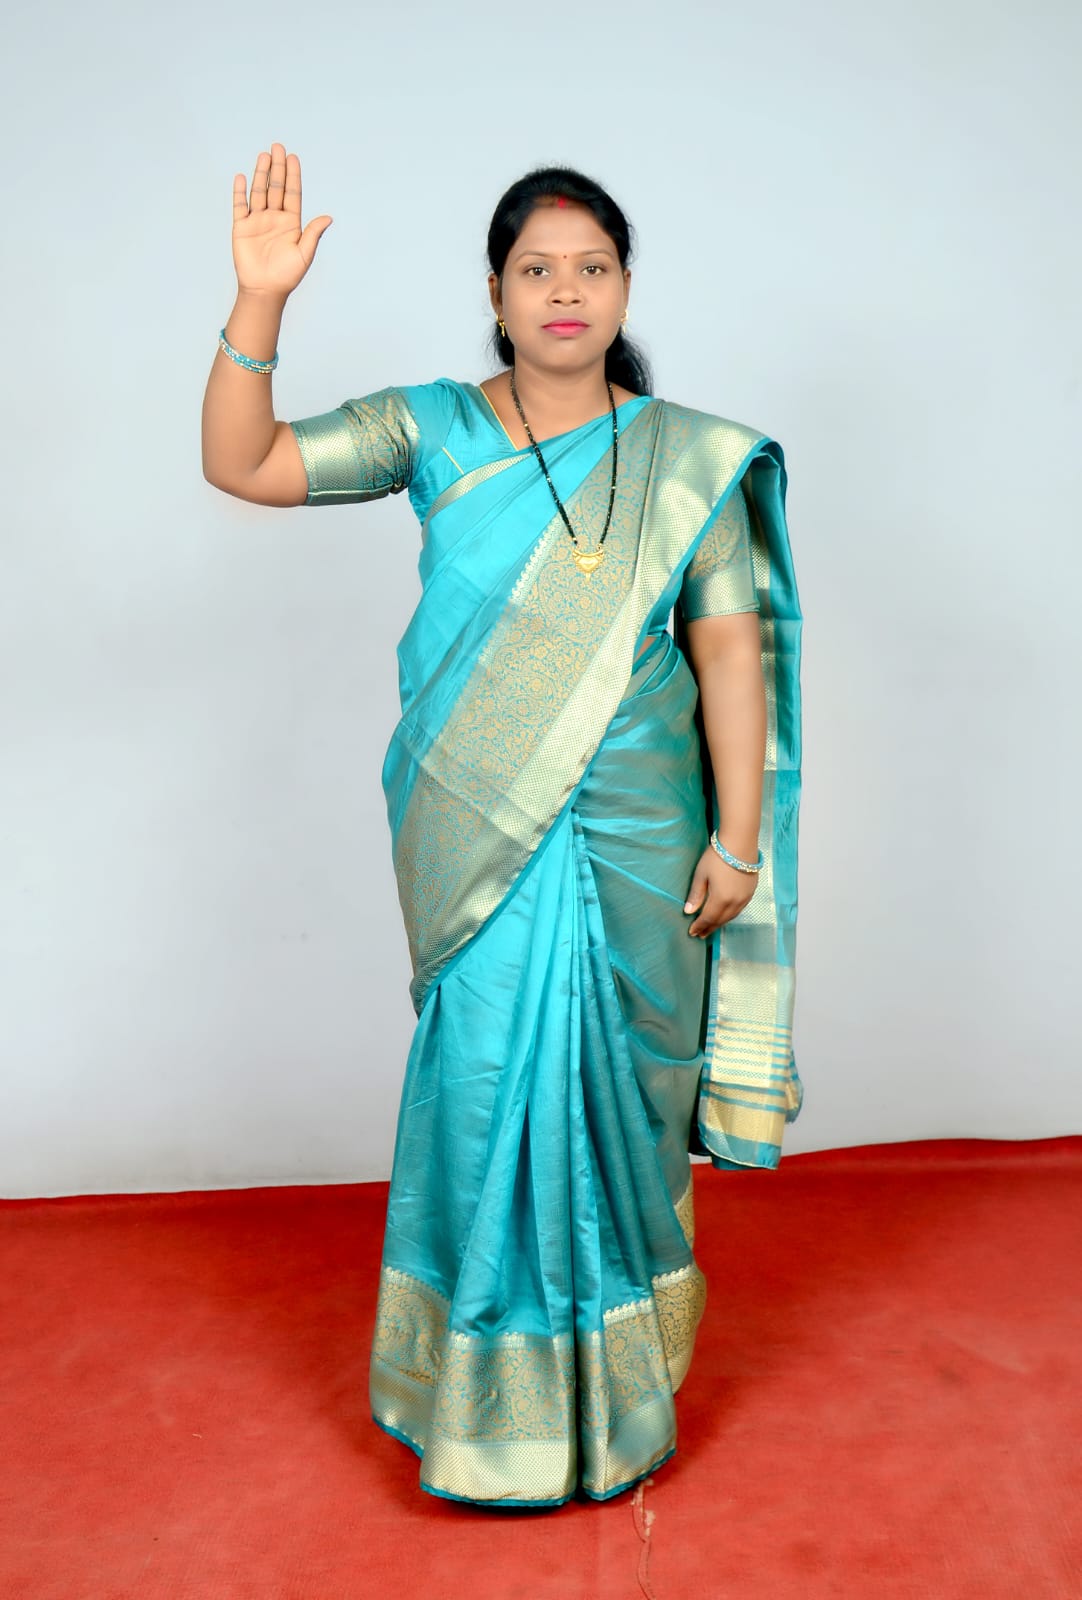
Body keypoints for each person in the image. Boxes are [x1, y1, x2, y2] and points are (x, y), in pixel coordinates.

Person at [201, 144, 804, 1508]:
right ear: (496, 292)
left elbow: (727, 651)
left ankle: (621, 1403)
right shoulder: (433, 431)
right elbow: (246, 462)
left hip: (644, 832)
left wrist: (738, 838)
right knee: (483, 1091)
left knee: (629, 1107)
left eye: (592, 267)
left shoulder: (687, 461)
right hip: (479, 829)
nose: (565, 291)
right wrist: (260, 302)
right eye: (537, 269)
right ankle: (488, 1411)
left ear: (625, 285)